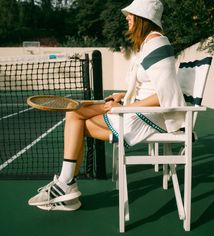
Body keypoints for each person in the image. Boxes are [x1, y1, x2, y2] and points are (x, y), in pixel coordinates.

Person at [28, 0, 185, 211]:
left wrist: (126, 107)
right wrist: (123, 96)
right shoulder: (149, 43)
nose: (127, 17)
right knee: (77, 120)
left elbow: (165, 94)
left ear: (143, 18)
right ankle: (68, 189)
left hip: (144, 118)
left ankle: (66, 185)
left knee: (74, 115)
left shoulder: (157, 43)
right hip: (140, 113)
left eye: (131, 14)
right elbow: (150, 85)